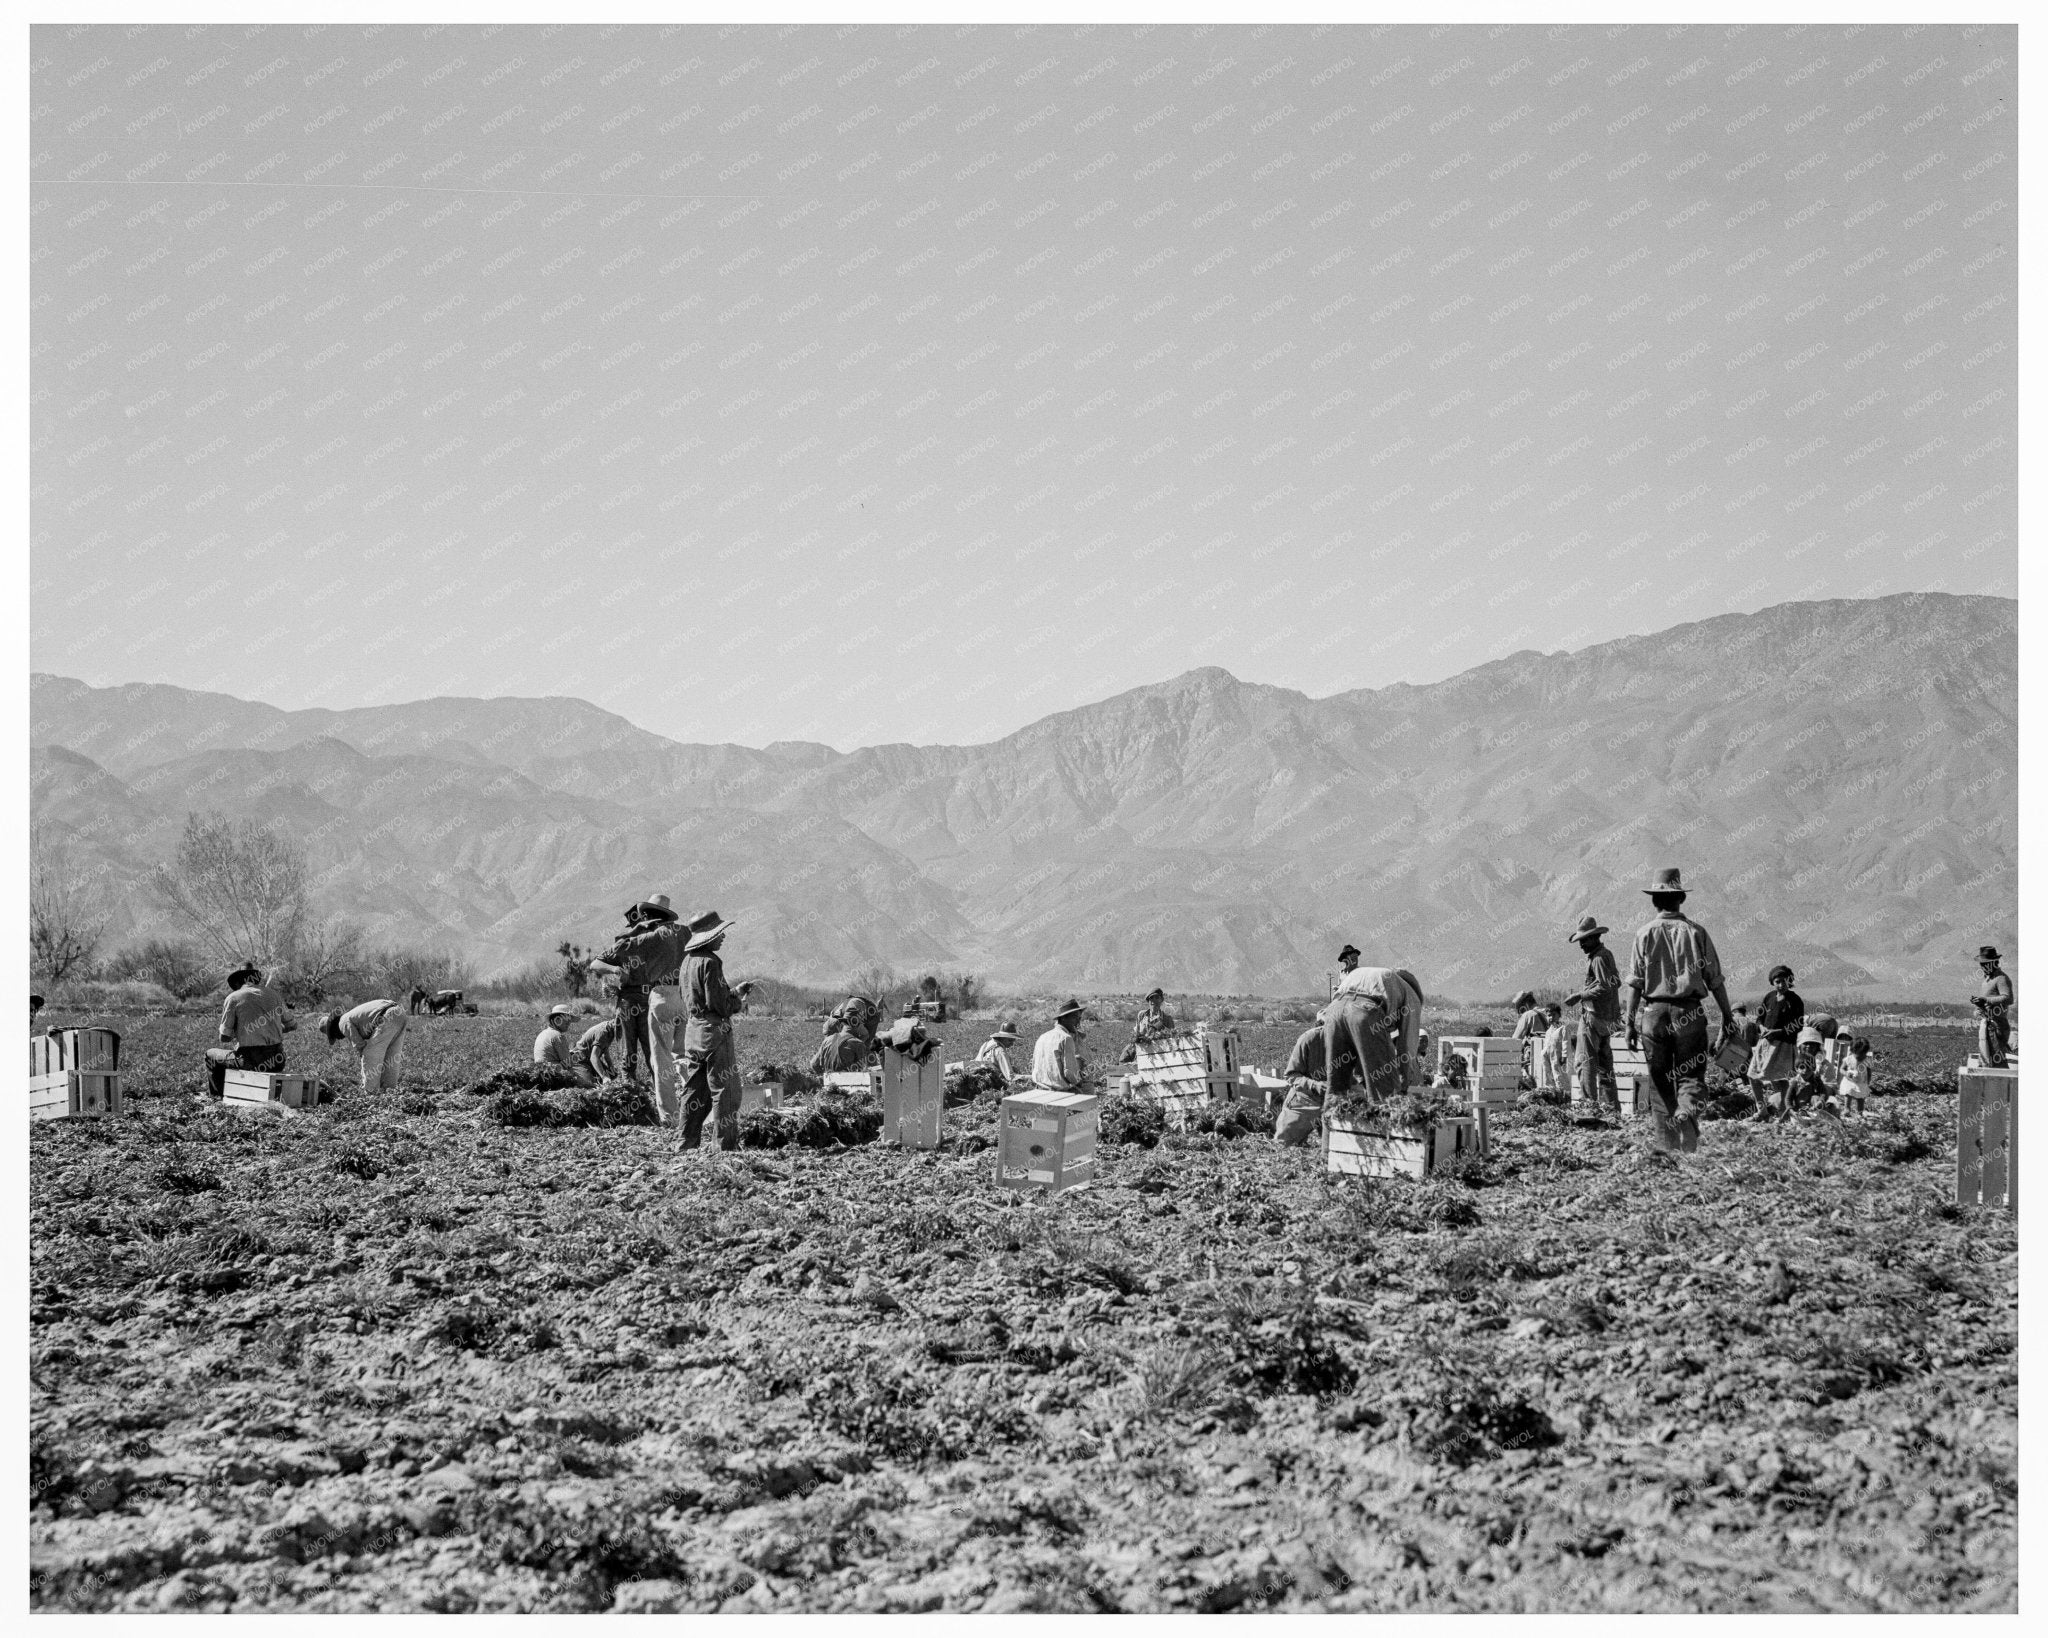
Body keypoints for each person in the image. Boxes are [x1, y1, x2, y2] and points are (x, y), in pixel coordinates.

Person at [1621, 867, 1735, 1153]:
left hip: (1654, 1014)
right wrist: (1727, 1016)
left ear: (1654, 901)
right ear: (1681, 898)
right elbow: (1715, 979)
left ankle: (1666, 1143)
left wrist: (1629, 1023)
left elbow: (1634, 983)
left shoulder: (1644, 933)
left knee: (1659, 1082)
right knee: (1691, 1075)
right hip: (1689, 1013)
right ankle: (1686, 1114)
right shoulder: (1696, 932)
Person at [588, 895, 688, 1125]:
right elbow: (596, 963)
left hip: (654, 997)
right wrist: (614, 971)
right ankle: (633, 1101)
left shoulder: (647, 939)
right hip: (632, 1000)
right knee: (632, 1053)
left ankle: (663, 1110)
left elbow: (619, 944)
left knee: (656, 1056)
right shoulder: (659, 937)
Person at [678, 909, 753, 1151]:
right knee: (726, 1091)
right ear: (708, 937)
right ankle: (724, 1147)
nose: (723, 937)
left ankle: (685, 1142)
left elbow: (703, 998)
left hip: (694, 1032)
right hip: (715, 1034)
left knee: (695, 1093)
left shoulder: (687, 962)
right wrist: (737, 1003)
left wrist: (733, 992)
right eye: (719, 933)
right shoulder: (711, 962)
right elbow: (720, 1005)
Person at [1325, 946, 1423, 1102]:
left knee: (1337, 1087)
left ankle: (1332, 1122)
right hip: (1365, 1012)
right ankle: (1383, 1119)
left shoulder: (1373, 975)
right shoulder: (1412, 997)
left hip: (1333, 1011)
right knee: (1385, 1086)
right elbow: (1407, 1046)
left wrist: (1361, 1077)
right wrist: (1403, 1085)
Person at [205, 965, 294, 1098]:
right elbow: (292, 1025)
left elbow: (224, 1037)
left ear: (237, 982)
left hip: (251, 1062)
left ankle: (218, 1098)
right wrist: (271, 1030)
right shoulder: (274, 995)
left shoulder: (233, 998)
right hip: (277, 1060)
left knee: (210, 1054)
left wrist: (239, 1032)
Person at [1563, 914, 1622, 1112]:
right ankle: (1611, 1109)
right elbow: (1616, 983)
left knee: (1585, 1062)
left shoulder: (1598, 958)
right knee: (1605, 1067)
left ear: (1593, 938)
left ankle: (1590, 1108)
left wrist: (1580, 996)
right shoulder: (1606, 955)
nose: (1581, 945)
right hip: (1608, 1019)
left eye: (1583, 941)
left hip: (1594, 1018)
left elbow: (1605, 987)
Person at [1274, 1012, 1357, 1146]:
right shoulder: (1309, 1039)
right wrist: (1315, 1085)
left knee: (1339, 1150)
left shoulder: (1351, 1042)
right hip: (1305, 1099)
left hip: (1335, 1100)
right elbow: (1291, 1075)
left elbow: (1358, 1077)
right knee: (1283, 1144)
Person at [321, 997, 409, 1094]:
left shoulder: (343, 1022)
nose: (338, 1038)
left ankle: (371, 1093)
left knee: (370, 1054)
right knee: (390, 1058)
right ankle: (389, 1092)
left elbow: (360, 1044)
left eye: (334, 1035)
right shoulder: (351, 1016)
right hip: (399, 1013)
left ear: (334, 1029)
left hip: (387, 1016)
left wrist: (362, 1056)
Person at [1750, 965, 1805, 1120]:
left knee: (1781, 1081)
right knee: (1753, 1076)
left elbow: (1798, 1025)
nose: (1781, 985)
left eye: (1785, 981)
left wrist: (1777, 1032)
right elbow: (1759, 1017)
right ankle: (1762, 1111)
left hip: (1784, 1045)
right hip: (1765, 1044)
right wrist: (1761, 1027)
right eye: (1777, 981)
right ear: (1772, 982)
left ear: (1790, 981)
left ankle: (1784, 1115)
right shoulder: (1769, 997)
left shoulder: (1794, 1000)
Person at [1030, 999, 1089, 1093]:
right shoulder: (1066, 1038)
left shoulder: (1042, 1037)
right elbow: (1069, 1073)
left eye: (1079, 1018)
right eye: (1075, 1018)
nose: (1078, 1022)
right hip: (1058, 1092)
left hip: (1039, 1090)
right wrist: (1079, 1081)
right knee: (1089, 1089)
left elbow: (1033, 1067)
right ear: (1063, 1018)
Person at [1973, 945, 2015, 1067]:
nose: (1983, 967)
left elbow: (2008, 998)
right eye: (1982, 964)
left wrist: (1985, 999)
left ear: (1994, 963)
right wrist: (1979, 1007)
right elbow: (1988, 1002)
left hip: (1997, 1025)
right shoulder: (1986, 980)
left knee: (1997, 1062)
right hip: (1987, 1024)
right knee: (1986, 1062)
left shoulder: (2001, 978)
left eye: (1985, 964)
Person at [575, 1015, 624, 1085]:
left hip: (589, 1057)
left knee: (613, 1075)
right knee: (590, 1084)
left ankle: (594, 1074)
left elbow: (605, 1052)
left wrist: (611, 1067)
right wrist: (604, 1077)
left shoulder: (610, 1029)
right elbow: (593, 1057)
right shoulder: (603, 1032)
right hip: (580, 1059)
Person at [533, 1005, 579, 1075]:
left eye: (569, 1021)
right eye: (566, 1021)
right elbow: (568, 1063)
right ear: (557, 1020)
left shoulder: (543, 1033)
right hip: (554, 1073)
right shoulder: (557, 1036)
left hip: (542, 1072)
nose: (569, 1024)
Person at [972, 1021, 1020, 1086]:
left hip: (981, 1080)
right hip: (994, 1084)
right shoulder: (1000, 1051)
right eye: (1010, 1040)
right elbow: (1011, 1077)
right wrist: (1032, 1077)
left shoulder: (987, 1044)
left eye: (1013, 1040)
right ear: (1002, 1038)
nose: (1012, 1044)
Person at [1838, 1036, 1874, 1119]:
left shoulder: (1867, 1060)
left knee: (1861, 1097)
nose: (1861, 1057)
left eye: (1863, 1054)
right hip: (1850, 1081)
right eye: (1858, 1055)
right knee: (1848, 1094)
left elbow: (1869, 1072)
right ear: (1852, 1051)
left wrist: (1868, 1082)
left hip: (1861, 1082)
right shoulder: (1848, 1059)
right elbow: (1841, 1069)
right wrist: (1846, 1073)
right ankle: (1847, 1109)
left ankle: (1860, 1111)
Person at [1538, 1004, 1569, 1094]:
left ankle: (1564, 1094)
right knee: (1547, 1074)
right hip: (1547, 1055)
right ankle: (1551, 1093)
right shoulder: (1548, 1031)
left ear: (1559, 1015)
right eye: (1549, 1015)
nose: (1551, 1017)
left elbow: (1565, 1042)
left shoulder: (1563, 1029)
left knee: (1558, 1074)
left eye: (1553, 1015)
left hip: (1557, 1055)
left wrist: (1564, 1056)